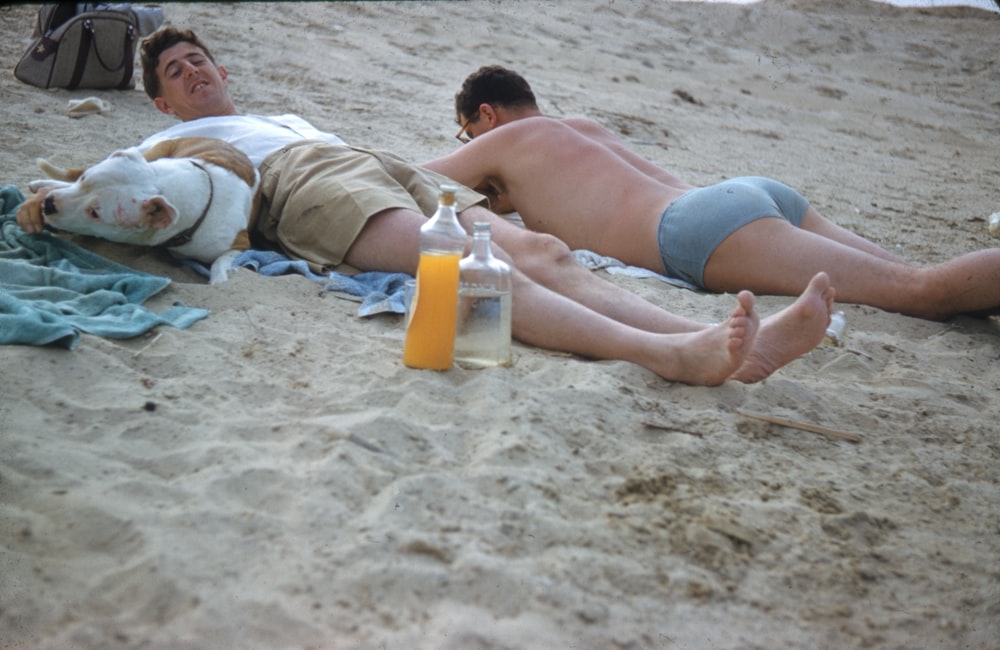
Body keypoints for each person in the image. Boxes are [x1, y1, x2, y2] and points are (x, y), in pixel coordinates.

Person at [18, 28, 835, 386]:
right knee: (469, 270)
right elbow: (104, 187)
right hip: (303, 187)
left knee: (541, 253)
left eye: (199, 62)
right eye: (176, 75)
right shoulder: (171, 144)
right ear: (161, 105)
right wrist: (46, 203)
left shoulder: (280, 113)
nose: (193, 74)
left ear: (221, 70)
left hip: (367, 162)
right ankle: (669, 355)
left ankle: (734, 346)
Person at [430, 65, 1000, 322]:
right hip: (742, 196)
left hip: (696, 230)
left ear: (485, 114)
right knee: (915, 273)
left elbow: (409, 177)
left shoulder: (511, 141)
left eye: (467, 133)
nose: (470, 143)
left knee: (923, 292)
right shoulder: (577, 131)